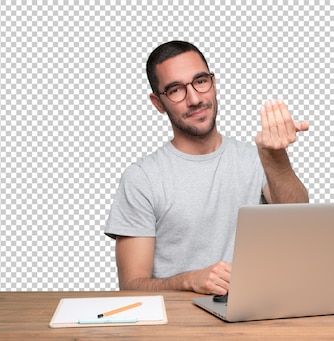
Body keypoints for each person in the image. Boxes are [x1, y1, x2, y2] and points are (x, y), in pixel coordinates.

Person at [104, 41, 309, 295]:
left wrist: (275, 156)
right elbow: (131, 286)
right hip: (176, 326)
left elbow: (299, 223)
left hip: (252, 315)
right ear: (158, 103)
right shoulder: (142, 178)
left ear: (213, 82)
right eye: (176, 89)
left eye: (200, 81)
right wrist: (189, 281)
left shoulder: (256, 159)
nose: (194, 99)